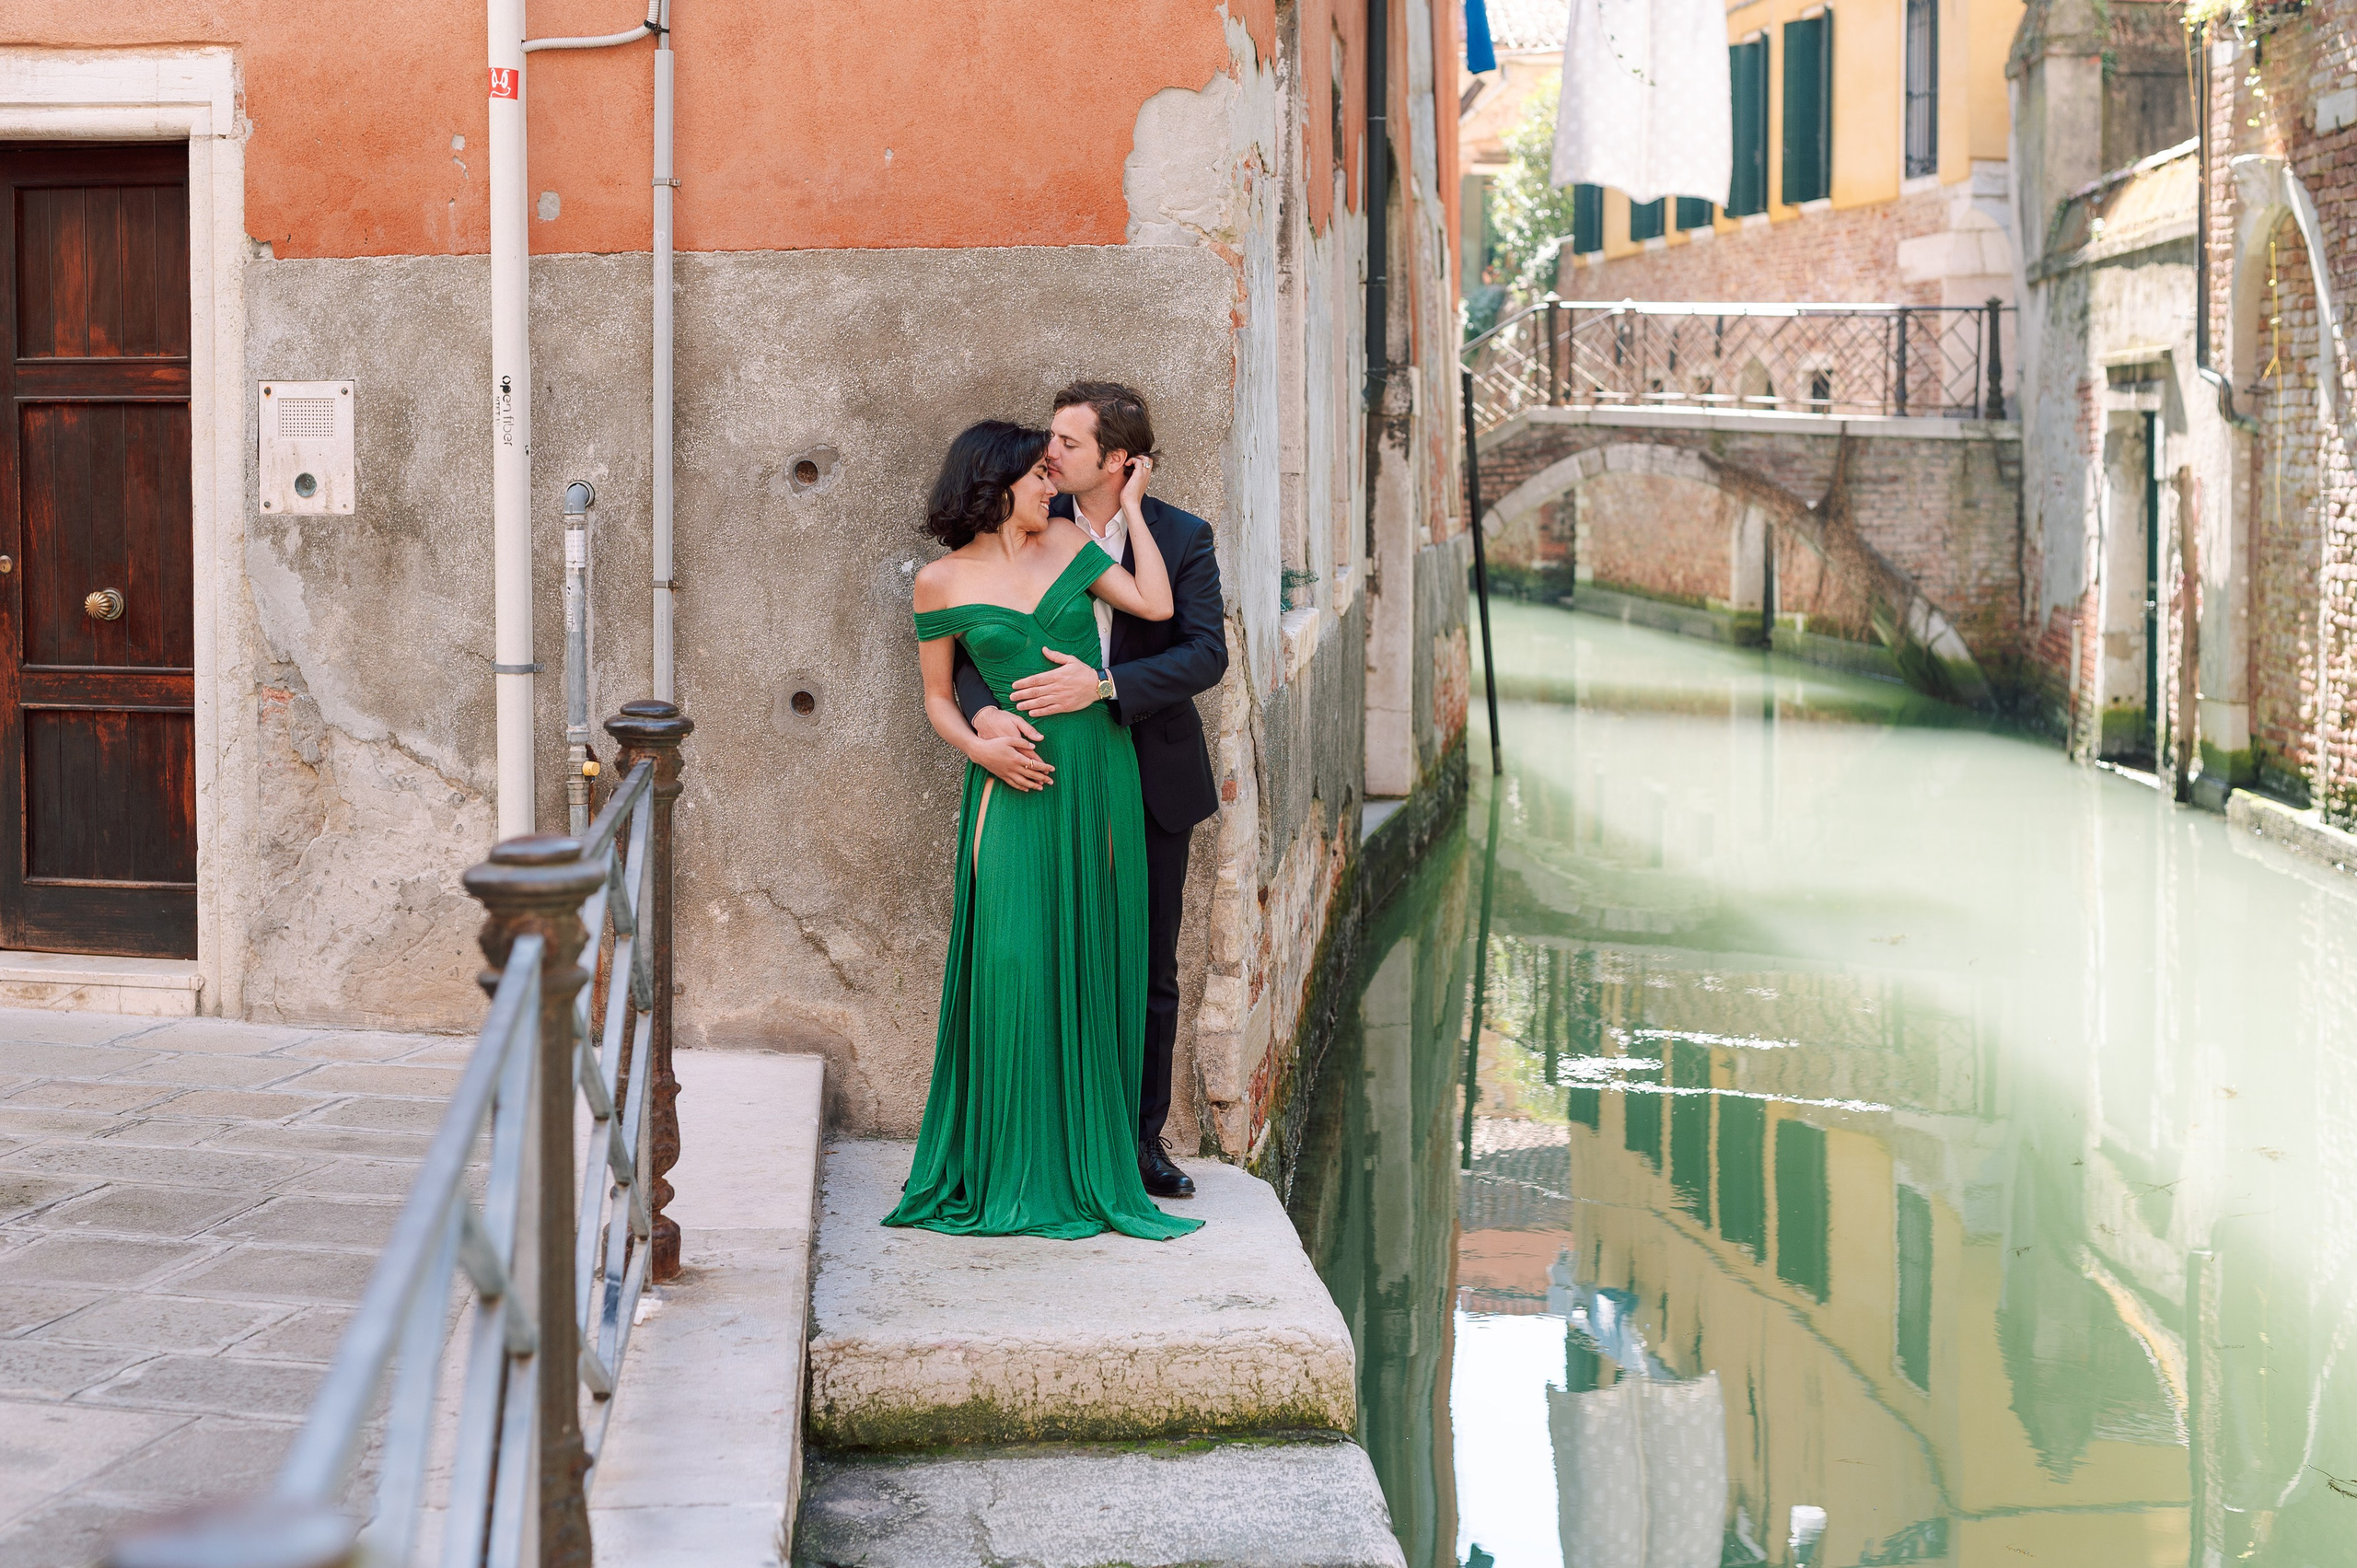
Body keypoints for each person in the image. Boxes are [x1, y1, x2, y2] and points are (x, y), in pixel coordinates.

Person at [888, 419, 1203, 1240]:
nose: (1049, 484)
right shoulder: (940, 582)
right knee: (1016, 962)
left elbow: (1159, 606)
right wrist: (980, 742)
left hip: (1099, 774)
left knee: (1094, 959)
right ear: (994, 486)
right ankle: (1007, 1164)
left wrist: (1133, 508)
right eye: (1036, 472)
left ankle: (1087, 1160)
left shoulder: (1068, 540)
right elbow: (933, 696)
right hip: (1012, 785)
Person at [952, 382, 1227, 1201]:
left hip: (1148, 773)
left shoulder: (1180, 535)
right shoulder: (1033, 522)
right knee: (1043, 949)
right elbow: (969, 644)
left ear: (1119, 459)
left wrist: (1104, 685)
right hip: (1049, 768)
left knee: (1148, 963)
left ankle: (1139, 1141)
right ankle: (1049, 1133)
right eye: (1050, 443)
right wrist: (985, 717)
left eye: (1068, 444)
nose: (1050, 455)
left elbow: (1205, 655)